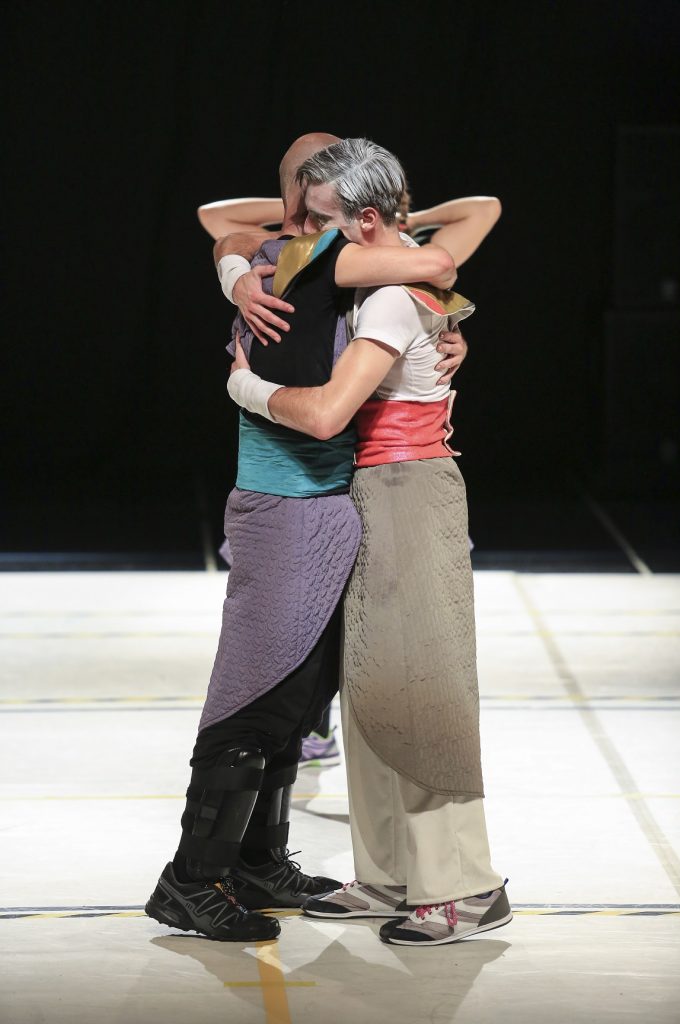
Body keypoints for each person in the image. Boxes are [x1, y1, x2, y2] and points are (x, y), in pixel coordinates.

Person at [144, 133, 466, 943]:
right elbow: (441, 259)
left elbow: (225, 230)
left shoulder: (283, 259)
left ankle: (258, 861)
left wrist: (440, 329)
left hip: (323, 506)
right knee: (251, 700)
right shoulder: (308, 258)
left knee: (297, 701)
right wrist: (245, 377)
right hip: (282, 509)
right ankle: (191, 879)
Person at [227, 137, 510, 947]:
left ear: (367, 220)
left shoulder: (388, 294)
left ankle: (465, 884)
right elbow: (226, 230)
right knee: (374, 688)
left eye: (318, 221)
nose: (300, 236)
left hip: (410, 492)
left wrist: (244, 384)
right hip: (369, 494)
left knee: (426, 688)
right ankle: (387, 873)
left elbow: (324, 414)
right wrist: (242, 273)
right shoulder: (373, 277)